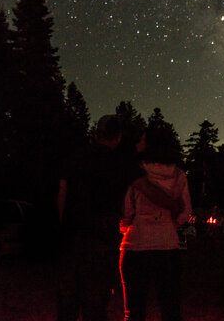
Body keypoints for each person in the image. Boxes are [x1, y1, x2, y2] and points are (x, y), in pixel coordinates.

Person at [57, 115, 180, 321]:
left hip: (71, 240)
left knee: (67, 304)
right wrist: (174, 204)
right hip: (100, 242)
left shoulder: (75, 157)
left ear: (96, 135)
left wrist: (63, 226)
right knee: (95, 306)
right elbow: (148, 189)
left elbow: (62, 192)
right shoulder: (120, 163)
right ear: (119, 137)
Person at [119, 126, 193, 321]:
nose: (138, 143)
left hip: (135, 246)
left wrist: (129, 222)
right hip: (168, 247)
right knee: (171, 310)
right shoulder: (178, 175)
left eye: (142, 140)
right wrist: (171, 224)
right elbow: (186, 212)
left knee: (134, 312)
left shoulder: (136, 174)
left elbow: (127, 210)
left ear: (150, 144)